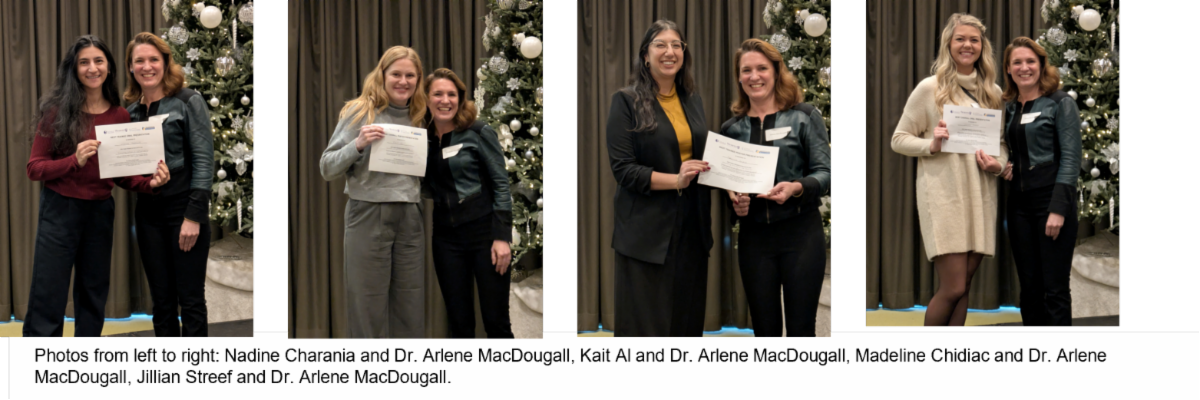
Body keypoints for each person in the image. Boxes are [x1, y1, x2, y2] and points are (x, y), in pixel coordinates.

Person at [24, 35, 170, 337]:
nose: (92, 68)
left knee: (93, 294)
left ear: (109, 66)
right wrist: (72, 161)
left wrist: (149, 184)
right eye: (84, 62)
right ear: (74, 69)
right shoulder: (56, 111)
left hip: (100, 212)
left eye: (98, 61)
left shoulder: (119, 114)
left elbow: (119, 174)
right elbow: (35, 168)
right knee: (48, 293)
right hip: (60, 210)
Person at [891, 13, 1009, 327]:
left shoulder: (993, 92)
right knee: (953, 286)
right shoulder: (930, 88)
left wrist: (999, 164)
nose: (967, 45)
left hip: (981, 196)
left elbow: (1001, 143)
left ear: (982, 46)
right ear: (949, 44)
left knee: (965, 285)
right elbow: (898, 139)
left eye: (974, 39)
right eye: (960, 39)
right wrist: (931, 144)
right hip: (944, 197)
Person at [718, 39, 830, 337]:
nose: (754, 76)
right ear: (739, 77)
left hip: (802, 237)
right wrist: (735, 202)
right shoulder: (731, 129)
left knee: (801, 330)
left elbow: (824, 174)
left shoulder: (805, 116)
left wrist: (796, 187)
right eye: (746, 70)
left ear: (777, 71)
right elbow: (728, 185)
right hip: (755, 241)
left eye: (762, 68)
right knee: (764, 332)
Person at [607, 20, 712, 337]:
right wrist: (675, 181)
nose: (670, 51)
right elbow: (623, 169)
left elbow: (704, 159)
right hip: (646, 234)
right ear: (645, 56)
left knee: (687, 322)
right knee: (647, 329)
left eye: (677, 45)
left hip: (692, 227)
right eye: (660, 44)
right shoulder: (625, 101)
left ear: (684, 53)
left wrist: (735, 186)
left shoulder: (692, 100)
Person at [320, 45, 428, 338]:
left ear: (418, 79)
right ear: (382, 75)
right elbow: (327, 167)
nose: (403, 81)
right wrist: (357, 144)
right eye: (396, 74)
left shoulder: (422, 114)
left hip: (410, 216)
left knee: (411, 304)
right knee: (365, 303)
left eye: (410, 75)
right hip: (367, 212)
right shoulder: (360, 111)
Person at [123, 32, 214, 337]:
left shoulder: (189, 101)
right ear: (130, 68)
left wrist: (194, 216)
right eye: (140, 61)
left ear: (165, 63)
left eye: (153, 59)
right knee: (160, 304)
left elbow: (204, 160)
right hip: (148, 216)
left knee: (190, 301)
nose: (147, 66)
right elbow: (127, 170)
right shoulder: (130, 113)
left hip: (183, 212)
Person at [421, 68, 513, 338]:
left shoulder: (478, 130)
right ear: (427, 99)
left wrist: (502, 237)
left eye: (452, 94)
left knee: (496, 322)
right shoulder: (421, 137)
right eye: (437, 94)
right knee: (459, 325)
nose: (445, 100)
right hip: (446, 240)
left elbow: (501, 184)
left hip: (485, 236)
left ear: (461, 99)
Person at [1000, 37, 1081, 328]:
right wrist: (1004, 165)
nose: (1024, 67)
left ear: (1042, 65)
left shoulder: (1060, 102)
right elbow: (1007, 147)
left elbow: (1071, 159)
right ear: (1008, 69)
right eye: (1017, 62)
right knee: (1029, 289)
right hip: (1019, 206)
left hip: (1052, 203)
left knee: (1055, 289)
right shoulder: (1008, 106)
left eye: (1030, 61)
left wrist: (1058, 209)